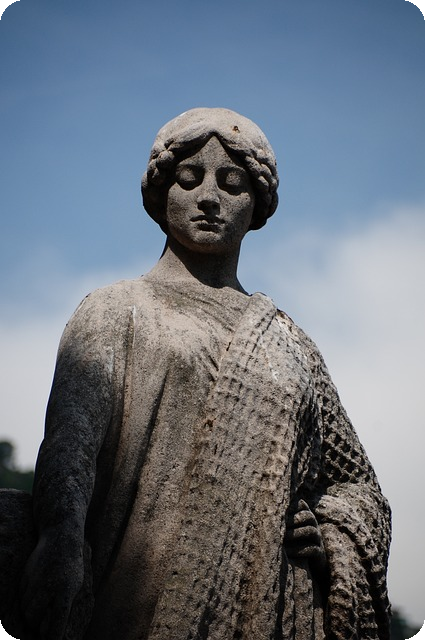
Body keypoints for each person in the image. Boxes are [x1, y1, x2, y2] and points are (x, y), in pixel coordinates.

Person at [12, 108, 390, 639]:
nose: (209, 197)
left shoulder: (290, 345)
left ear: (257, 204)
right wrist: (59, 538)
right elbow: (70, 448)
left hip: (262, 608)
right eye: (189, 179)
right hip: (130, 602)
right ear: (161, 192)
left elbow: (357, 486)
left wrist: (330, 535)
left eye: (231, 184)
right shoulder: (115, 309)